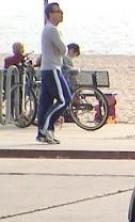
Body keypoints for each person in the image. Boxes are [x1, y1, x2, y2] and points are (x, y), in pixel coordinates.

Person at [36, 2, 72, 144]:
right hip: (52, 69)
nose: (61, 13)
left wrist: (60, 49)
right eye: (57, 11)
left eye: (60, 11)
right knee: (64, 100)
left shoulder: (49, 29)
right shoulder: (52, 30)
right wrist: (61, 49)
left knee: (46, 102)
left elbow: (61, 50)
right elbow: (64, 50)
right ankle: (46, 129)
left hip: (49, 68)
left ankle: (43, 133)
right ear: (50, 14)